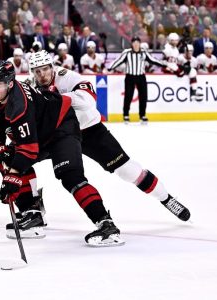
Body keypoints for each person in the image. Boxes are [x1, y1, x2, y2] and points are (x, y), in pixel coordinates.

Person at [23, 50, 190, 233]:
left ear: (52, 67)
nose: (42, 74)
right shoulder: (30, 86)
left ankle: (166, 198)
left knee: (128, 171)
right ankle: (33, 209)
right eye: (37, 71)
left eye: (45, 69)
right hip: (59, 136)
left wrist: (57, 98)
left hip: (90, 131)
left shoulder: (68, 77)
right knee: (20, 159)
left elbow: (88, 100)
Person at [0, 60, 124, 247]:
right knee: (6, 159)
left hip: (61, 127)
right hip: (38, 131)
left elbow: (29, 150)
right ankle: (32, 215)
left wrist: (12, 176)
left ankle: (107, 225)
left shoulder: (19, 102)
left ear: (9, 83)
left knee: (70, 175)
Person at [108, 36, 169, 124]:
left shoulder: (144, 52)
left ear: (139, 44)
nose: (136, 44)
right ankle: (126, 115)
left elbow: (152, 60)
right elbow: (119, 61)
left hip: (141, 77)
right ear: (132, 44)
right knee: (128, 96)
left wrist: (163, 64)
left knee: (143, 96)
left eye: (137, 43)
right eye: (134, 43)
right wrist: (110, 68)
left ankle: (142, 115)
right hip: (130, 77)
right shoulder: (127, 52)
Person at [163, 33, 203, 101]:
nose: (175, 42)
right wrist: (177, 70)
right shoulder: (167, 48)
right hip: (168, 67)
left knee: (192, 71)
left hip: (174, 66)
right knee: (184, 71)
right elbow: (167, 62)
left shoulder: (175, 49)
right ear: (169, 40)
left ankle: (194, 92)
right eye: (173, 40)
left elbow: (175, 60)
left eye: (176, 40)